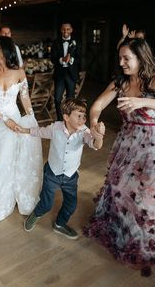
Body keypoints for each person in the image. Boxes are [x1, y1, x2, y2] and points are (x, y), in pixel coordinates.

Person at [85, 38, 155, 276]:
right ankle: (123, 231)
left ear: (141, 58)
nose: (122, 63)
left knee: (146, 196)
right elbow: (97, 105)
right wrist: (95, 122)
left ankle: (143, 240)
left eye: (127, 58)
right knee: (119, 188)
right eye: (120, 58)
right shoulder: (120, 81)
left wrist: (142, 101)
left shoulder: (154, 79)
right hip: (127, 142)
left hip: (151, 146)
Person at [17, 98, 105, 239]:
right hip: (52, 173)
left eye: (84, 116)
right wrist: (23, 130)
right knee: (46, 203)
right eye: (78, 116)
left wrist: (99, 136)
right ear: (66, 117)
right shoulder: (55, 128)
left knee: (71, 204)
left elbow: (95, 145)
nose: (83, 120)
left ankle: (59, 224)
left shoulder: (84, 131)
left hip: (70, 176)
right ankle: (35, 215)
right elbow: (40, 132)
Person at [0, 36, 43, 223]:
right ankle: (6, 194)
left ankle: (5, 201)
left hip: (15, 121)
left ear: (4, 49)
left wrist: (31, 116)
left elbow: (24, 97)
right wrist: (4, 119)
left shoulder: (19, 72)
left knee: (9, 160)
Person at [51, 23, 81, 120]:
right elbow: (52, 58)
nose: (66, 31)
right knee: (57, 98)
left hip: (71, 74)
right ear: (61, 30)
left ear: (71, 30)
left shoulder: (77, 42)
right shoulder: (56, 42)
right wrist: (62, 60)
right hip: (59, 74)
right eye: (64, 29)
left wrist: (71, 60)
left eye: (68, 29)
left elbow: (80, 59)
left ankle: (69, 119)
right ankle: (60, 119)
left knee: (70, 100)